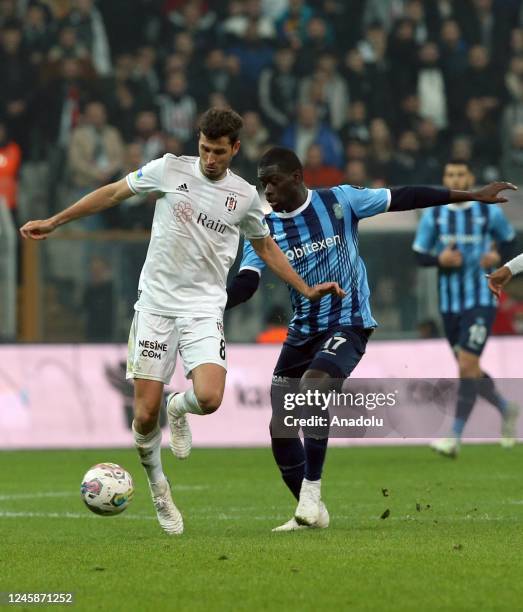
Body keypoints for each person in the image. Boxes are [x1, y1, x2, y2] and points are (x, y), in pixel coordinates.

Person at [20, 109, 343, 536]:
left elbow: (265, 249)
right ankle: (158, 488)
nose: (211, 159)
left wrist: (304, 289)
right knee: (143, 416)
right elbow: (115, 193)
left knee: (208, 398)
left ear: (235, 149)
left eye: (219, 152)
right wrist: (56, 221)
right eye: (205, 149)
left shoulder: (245, 197)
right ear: (199, 143)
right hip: (155, 305)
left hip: (204, 307)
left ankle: (180, 407)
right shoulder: (168, 169)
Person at [225, 146, 515, 532]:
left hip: (349, 322)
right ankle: (311, 511)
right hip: (302, 330)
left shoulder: (341, 200)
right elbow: (247, 281)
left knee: (313, 389)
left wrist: (472, 194)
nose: (268, 192)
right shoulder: (265, 228)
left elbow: (406, 196)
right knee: (281, 426)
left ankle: (312, 493)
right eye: (263, 185)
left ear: (297, 177)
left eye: (274, 182)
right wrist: (213, 303)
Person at [413, 160, 519, 458]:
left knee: (466, 366)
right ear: (445, 178)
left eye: (461, 174)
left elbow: (510, 242)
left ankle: (454, 436)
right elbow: (419, 255)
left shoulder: (488, 211)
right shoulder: (434, 215)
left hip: (481, 300)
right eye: (450, 175)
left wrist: (497, 255)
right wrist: (439, 260)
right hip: (449, 306)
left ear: (470, 177)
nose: (456, 178)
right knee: (469, 368)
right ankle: (505, 408)